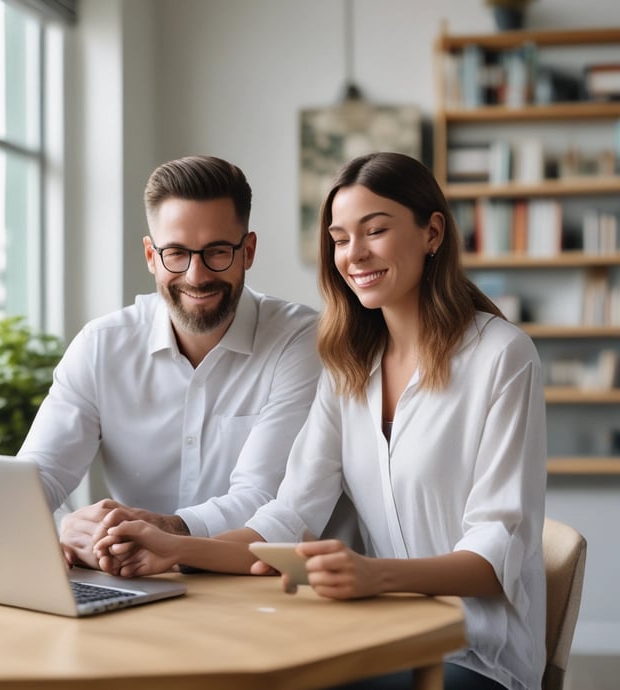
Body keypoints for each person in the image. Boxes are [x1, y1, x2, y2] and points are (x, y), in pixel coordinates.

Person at [94, 152, 548, 690]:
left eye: (374, 230)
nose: (354, 254)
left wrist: (373, 575)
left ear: (432, 233)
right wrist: (173, 548)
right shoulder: (349, 366)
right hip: (385, 638)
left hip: (477, 656)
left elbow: (495, 555)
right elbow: (288, 518)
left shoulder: (502, 356)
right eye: (339, 238)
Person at [18, 155, 321, 569]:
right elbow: (37, 477)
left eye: (217, 252)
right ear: (150, 255)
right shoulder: (101, 345)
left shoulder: (299, 341)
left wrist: (165, 531)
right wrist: (65, 527)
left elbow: (263, 496)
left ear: (248, 251)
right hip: (132, 582)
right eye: (176, 253)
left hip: (255, 589)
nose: (196, 276)